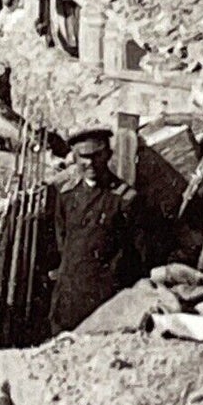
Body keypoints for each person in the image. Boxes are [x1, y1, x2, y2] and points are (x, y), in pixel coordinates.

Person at [48, 127, 148, 336]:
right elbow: (63, 243)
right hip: (70, 296)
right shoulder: (67, 196)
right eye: (84, 157)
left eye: (97, 155)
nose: (91, 163)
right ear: (75, 158)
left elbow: (139, 253)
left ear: (108, 155)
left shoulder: (124, 199)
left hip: (106, 299)